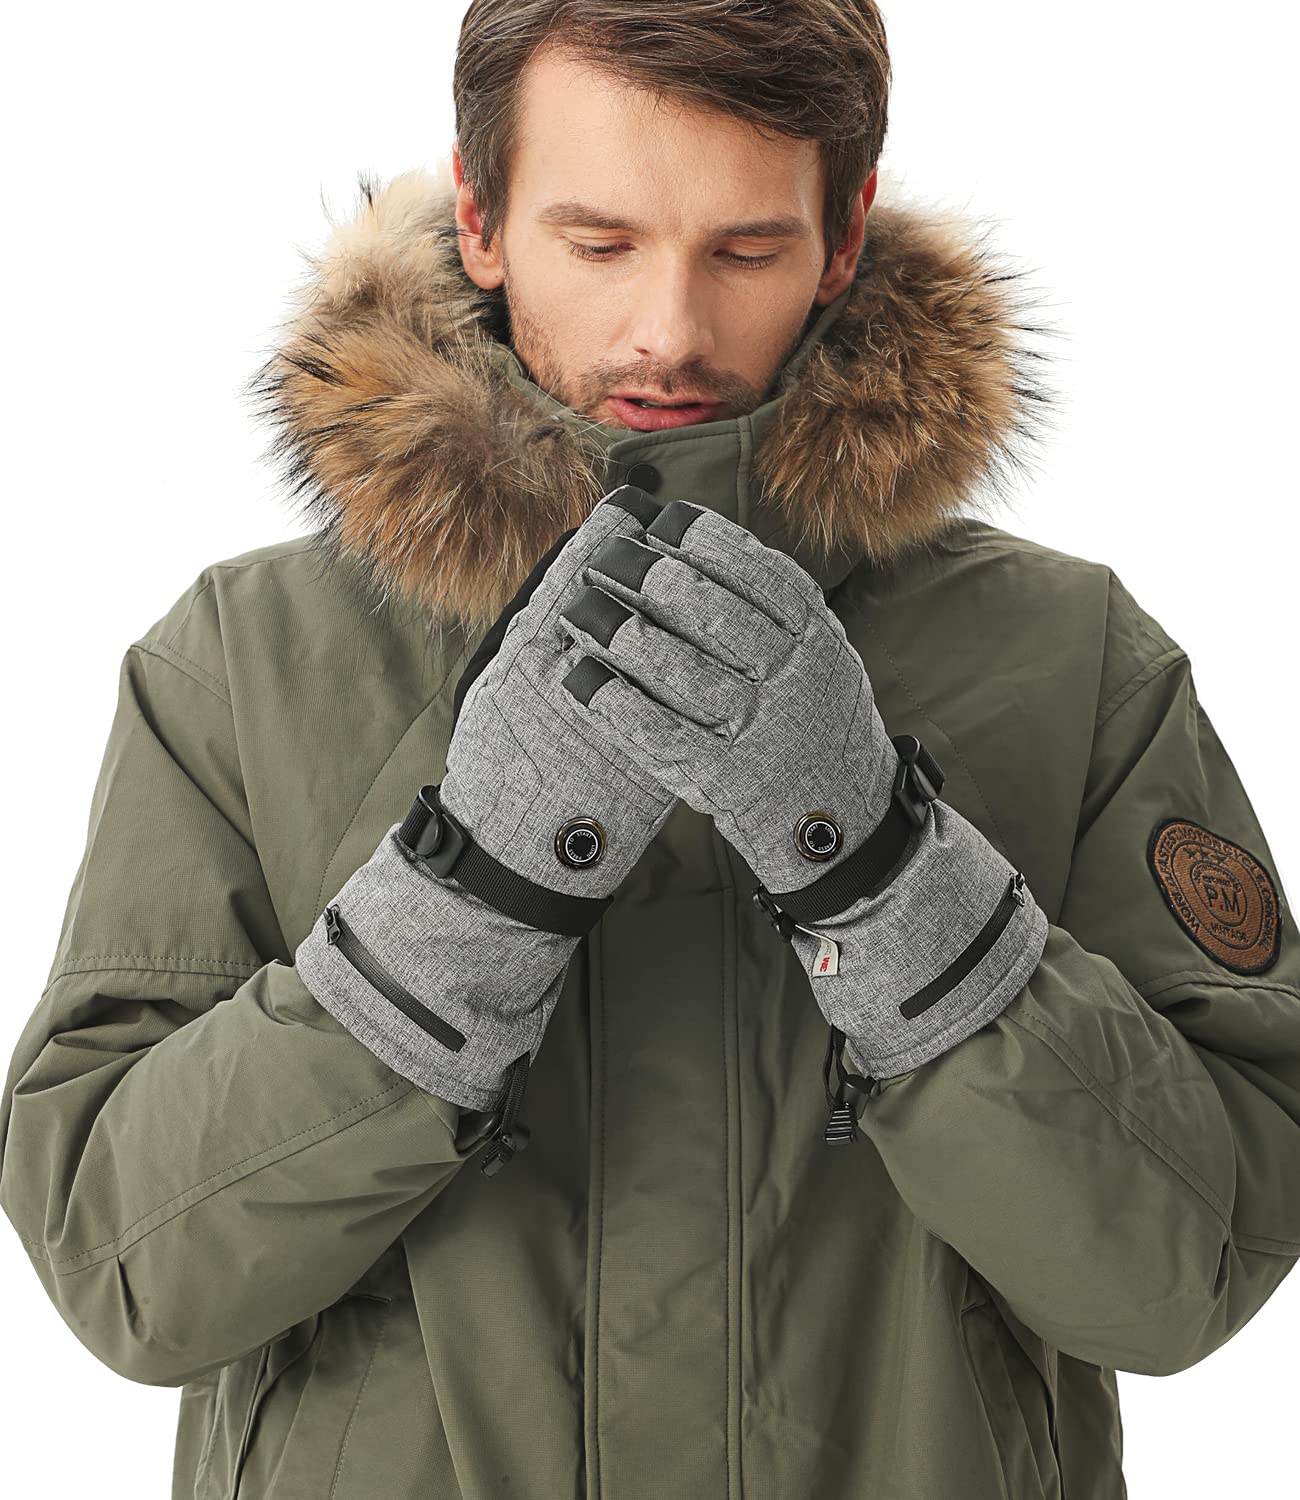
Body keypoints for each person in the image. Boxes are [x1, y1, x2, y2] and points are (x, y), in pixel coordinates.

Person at [2, 2, 1296, 1496]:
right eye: (601, 243)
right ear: (480, 216)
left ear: (843, 233)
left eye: (744, 249)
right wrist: (463, 900)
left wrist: (881, 871)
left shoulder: (1071, 661)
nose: (668, 331)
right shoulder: (243, 663)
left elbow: (1189, 1270)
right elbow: (126, 1270)